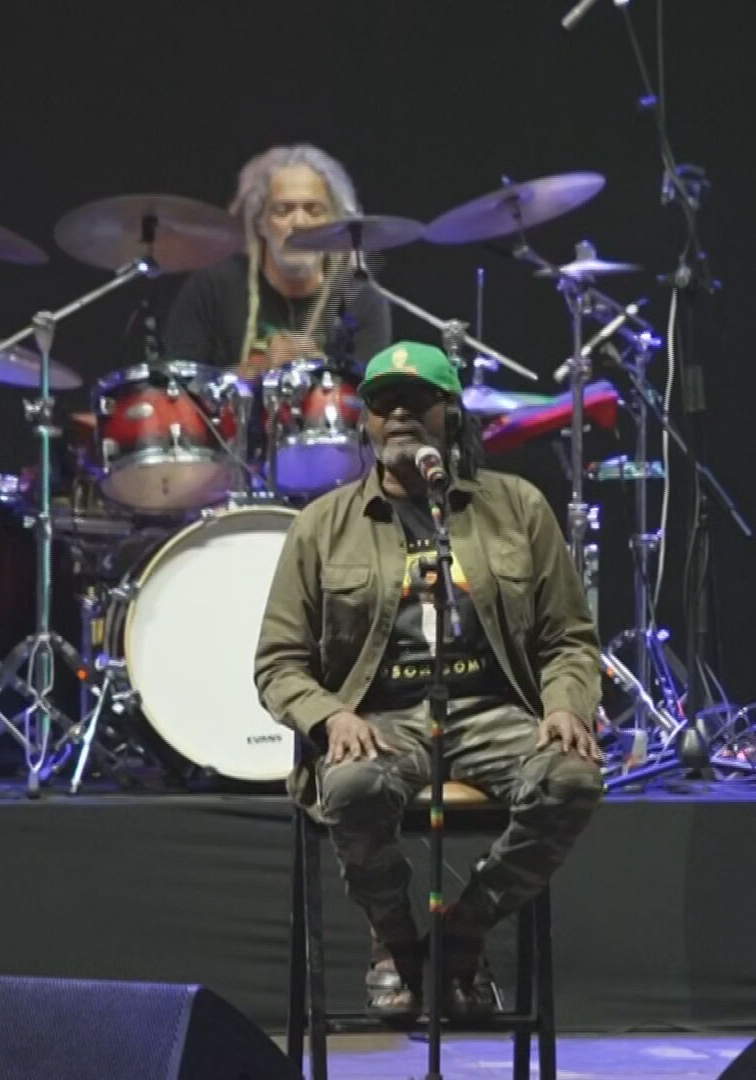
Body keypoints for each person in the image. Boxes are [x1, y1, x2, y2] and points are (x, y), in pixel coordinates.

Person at [255, 341, 604, 1019]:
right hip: (378, 718)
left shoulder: (519, 507)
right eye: (382, 403)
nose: (398, 415)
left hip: (491, 712)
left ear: (452, 415)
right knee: (351, 786)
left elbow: (568, 636)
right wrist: (331, 717)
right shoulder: (323, 525)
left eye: (417, 402)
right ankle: (392, 937)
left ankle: (461, 931)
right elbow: (278, 661)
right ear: (364, 420)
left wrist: (566, 705)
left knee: (572, 777)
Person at [164, 144, 393, 379]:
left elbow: (371, 396)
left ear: (336, 221)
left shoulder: (360, 298)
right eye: (283, 210)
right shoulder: (212, 288)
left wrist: (320, 370)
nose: (299, 223)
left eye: (314, 210)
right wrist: (259, 368)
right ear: (260, 222)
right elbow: (177, 388)